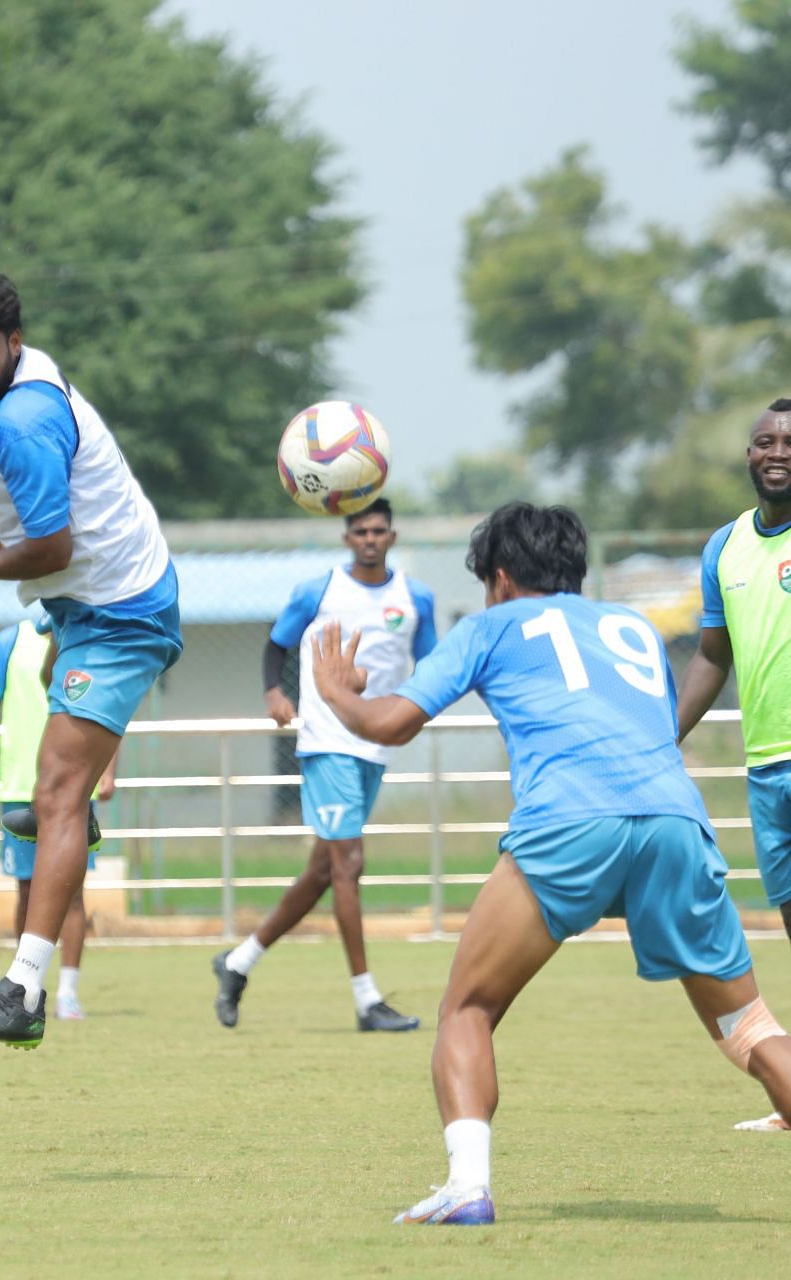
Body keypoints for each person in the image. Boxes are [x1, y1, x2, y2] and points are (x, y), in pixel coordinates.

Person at [309, 501, 791, 1225]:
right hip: (675, 821)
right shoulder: (630, 627)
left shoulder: (490, 627)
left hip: (569, 822)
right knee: (749, 1027)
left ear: (499, 577)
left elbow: (391, 725)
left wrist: (338, 695)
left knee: (467, 1009)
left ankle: (467, 1188)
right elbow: (656, 724)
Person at [0, 270, 181, 1049]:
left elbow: (56, 546)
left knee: (57, 793)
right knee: (52, 796)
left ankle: (23, 993)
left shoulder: (23, 421)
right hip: (84, 606)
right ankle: (71, 821)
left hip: (121, 611)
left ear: (15, 345)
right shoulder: (0, 401)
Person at [213, 497, 434, 1033]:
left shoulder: (416, 598)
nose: (369, 539)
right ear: (346, 539)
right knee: (349, 864)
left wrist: (405, 709)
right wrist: (273, 692)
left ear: (392, 537)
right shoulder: (319, 591)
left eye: (378, 530)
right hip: (327, 740)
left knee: (322, 872)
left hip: (375, 746)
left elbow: (432, 669)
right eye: (360, 531)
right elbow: (276, 644)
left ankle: (237, 963)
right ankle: (366, 1000)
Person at [676, 398, 791, 1131]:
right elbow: (712, 657)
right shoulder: (724, 547)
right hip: (765, 770)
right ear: (747, 455)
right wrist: (660, 742)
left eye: (790, 441)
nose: (777, 451)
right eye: (763, 441)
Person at [0, 616, 116, 1021]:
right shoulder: (8, 642)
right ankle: (27, 988)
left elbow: (108, 708)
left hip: (72, 785)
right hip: (20, 787)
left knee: (72, 893)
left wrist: (108, 769)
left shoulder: (83, 637)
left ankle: (68, 991)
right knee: (28, 892)